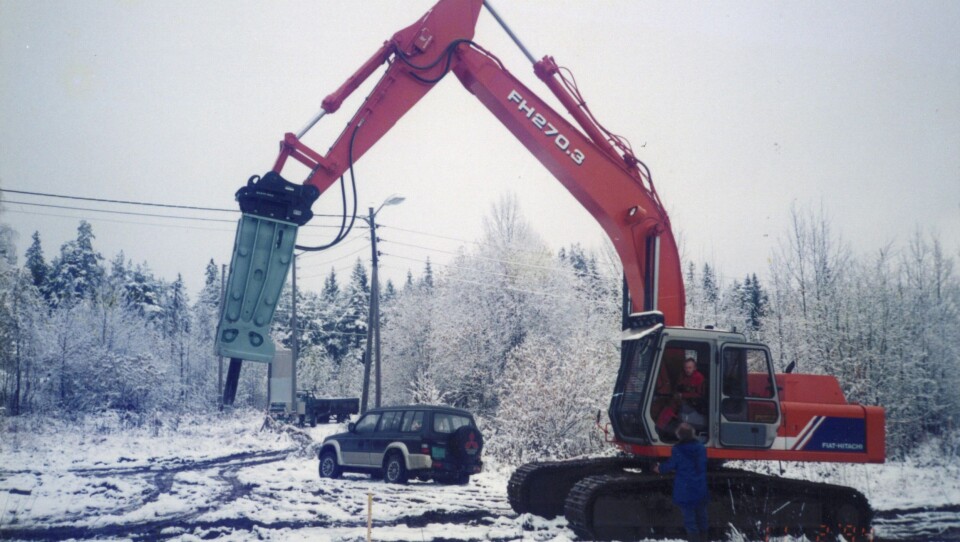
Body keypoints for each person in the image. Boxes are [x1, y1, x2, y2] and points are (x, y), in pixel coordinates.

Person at [654, 423, 709, 542]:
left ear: (680, 436)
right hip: (700, 487)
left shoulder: (677, 449)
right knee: (702, 518)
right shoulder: (701, 447)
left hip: (686, 489)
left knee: (690, 521)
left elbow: (672, 464)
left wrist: (659, 468)